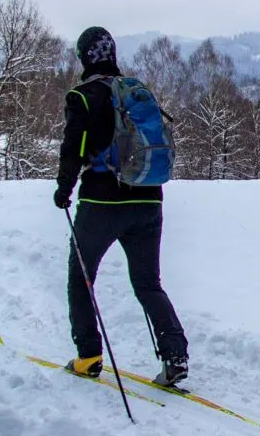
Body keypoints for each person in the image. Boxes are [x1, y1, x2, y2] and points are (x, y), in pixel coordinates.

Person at [54, 26, 189, 389]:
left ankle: (89, 356)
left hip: (101, 203)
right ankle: (174, 355)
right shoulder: (135, 92)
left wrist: (64, 187)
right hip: (148, 200)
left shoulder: (83, 97)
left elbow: (74, 148)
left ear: (84, 57)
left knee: (81, 277)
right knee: (148, 283)